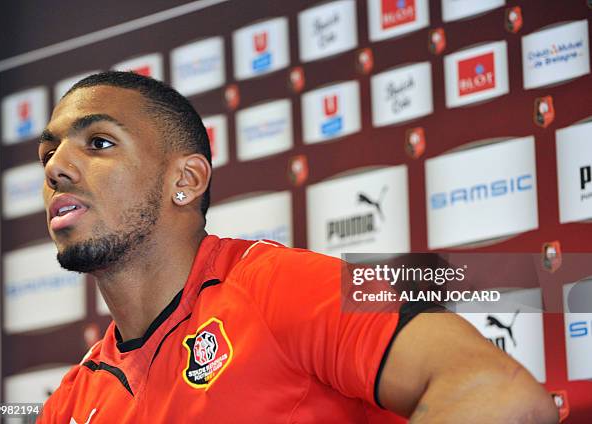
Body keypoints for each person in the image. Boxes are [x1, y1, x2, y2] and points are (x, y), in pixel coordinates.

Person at [36, 71, 557, 423]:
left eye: (98, 143)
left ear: (187, 180)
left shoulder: (280, 285)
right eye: (47, 152)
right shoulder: (70, 402)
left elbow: (501, 394)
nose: (56, 166)